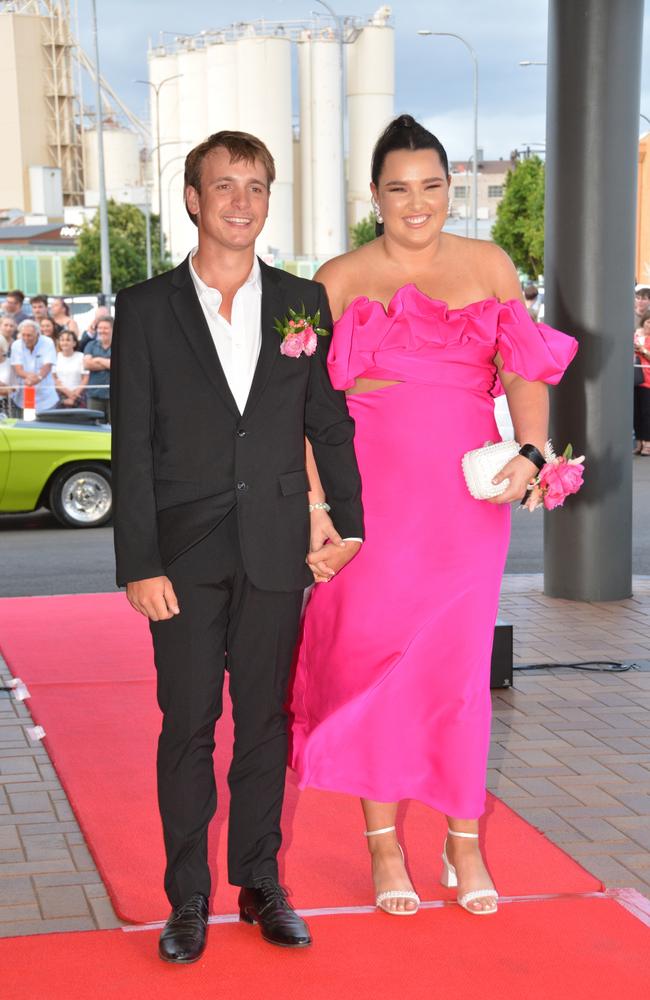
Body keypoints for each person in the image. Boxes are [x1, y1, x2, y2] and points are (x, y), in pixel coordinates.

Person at [290, 115, 578, 918]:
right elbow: (305, 409)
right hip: (366, 502)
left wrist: (531, 448)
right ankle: (383, 844)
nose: (417, 204)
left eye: (432, 186)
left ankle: (463, 841)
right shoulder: (337, 276)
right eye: (398, 188)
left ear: (450, 189)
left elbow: (524, 366)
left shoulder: (488, 264)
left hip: (459, 505)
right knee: (369, 665)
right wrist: (318, 507)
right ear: (374, 195)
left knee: (454, 675)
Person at [110, 130, 363, 964]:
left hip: (276, 546)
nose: (241, 202)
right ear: (193, 198)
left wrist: (349, 521)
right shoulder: (146, 309)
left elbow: (325, 420)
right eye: (224, 185)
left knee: (264, 724)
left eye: (256, 186)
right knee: (187, 726)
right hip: (180, 558)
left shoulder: (299, 302)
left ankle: (259, 883)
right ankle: (187, 898)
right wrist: (138, 562)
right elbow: (132, 446)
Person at [9, 319, 58, 413]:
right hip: (23, 397)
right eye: (23, 335)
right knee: (26, 425)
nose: (26, 338)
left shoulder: (48, 342)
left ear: (37, 334)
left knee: (46, 426)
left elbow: (47, 365)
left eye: (29, 335)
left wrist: (38, 378)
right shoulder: (16, 345)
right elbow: (18, 368)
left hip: (46, 398)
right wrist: (30, 377)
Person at [84, 316, 112, 421]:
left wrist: (98, 359)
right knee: (94, 427)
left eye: (105, 328)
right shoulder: (91, 345)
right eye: (100, 328)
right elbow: (87, 364)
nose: (102, 331)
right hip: (95, 395)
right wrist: (107, 363)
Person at [54, 331, 88, 407]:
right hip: (60, 395)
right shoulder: (55, 357)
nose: (64, 342)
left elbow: (85, 378)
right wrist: (68, 393)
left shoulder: (81, 357)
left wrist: (74, 396)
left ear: (74, 343)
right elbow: (53, 378)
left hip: (79, 395)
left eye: (68, 340)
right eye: (62, 340)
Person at [634, 307, 650, 455]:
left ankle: (647, 444)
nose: (648, 325)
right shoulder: (637, 335)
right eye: (647, 322)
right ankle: (639, 443)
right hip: (636, 379)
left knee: (646, 413)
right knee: (636, 413)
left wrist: (643, 350)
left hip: (648, 381)